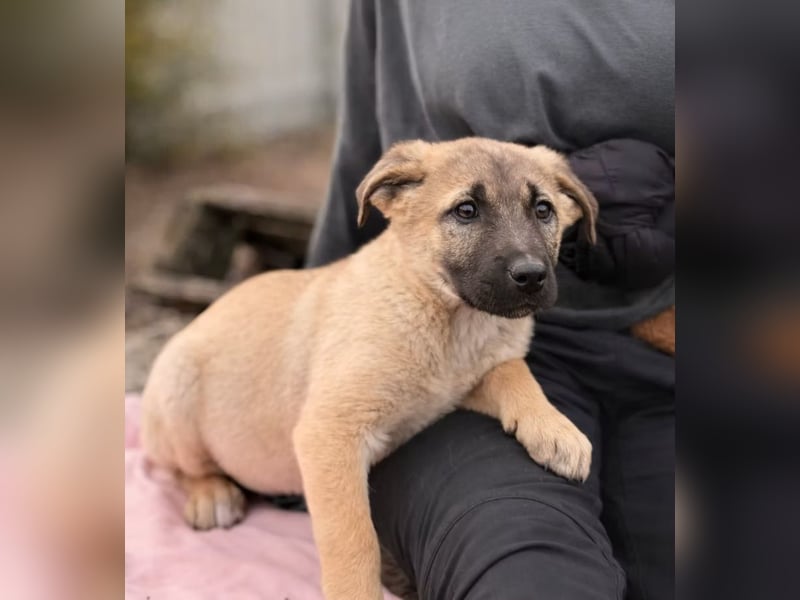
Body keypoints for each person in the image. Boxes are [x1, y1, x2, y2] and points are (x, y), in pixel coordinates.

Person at [306, 1, 674, 598]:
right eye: (467, 212)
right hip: (463, 352)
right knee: (524, 575)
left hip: (679, 348)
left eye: (545, 210)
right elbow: (361, 145)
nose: (525, 256)